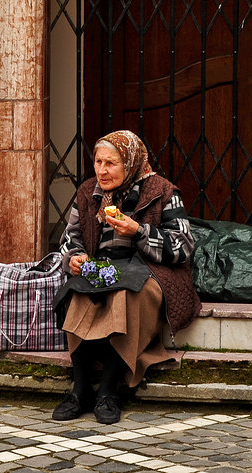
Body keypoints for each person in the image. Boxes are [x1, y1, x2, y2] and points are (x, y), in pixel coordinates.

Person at [51, 130, 200, 424]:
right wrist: (75, 259)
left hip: (150, 270)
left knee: (124, 294)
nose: (102, 171)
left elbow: (183, 247)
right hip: (103, 268)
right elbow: (70, 240)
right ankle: (80, 389)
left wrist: (138, 232)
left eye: (111, 163)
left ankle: (109, 390)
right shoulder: (87, 193)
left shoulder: (163, 192)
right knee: (77, 290)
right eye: (98, 162)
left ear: (130, 162)